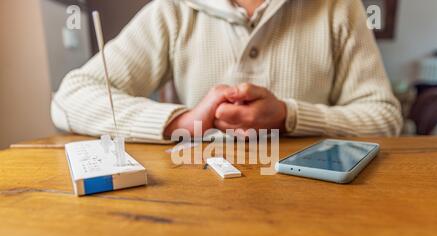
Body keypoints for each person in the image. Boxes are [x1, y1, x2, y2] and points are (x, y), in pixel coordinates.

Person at [51, 0, 403, 143]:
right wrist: (183, 122)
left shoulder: (339, 7)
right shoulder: (172, 8)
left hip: (322, 212)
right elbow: (70, 98)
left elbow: (384, 118)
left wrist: (287, 117)